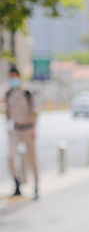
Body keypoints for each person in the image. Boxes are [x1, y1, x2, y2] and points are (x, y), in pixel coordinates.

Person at [5, 66, 39, 200]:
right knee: (11, 158)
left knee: (32, 160)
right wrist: (8, 126)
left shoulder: (27, 93)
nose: (14, 79)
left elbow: (36, 112)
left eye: (15, 76)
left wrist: (34, 129)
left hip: (28, 129)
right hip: (16, 129)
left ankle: (36, 186)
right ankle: (17, 184)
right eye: (11, 77)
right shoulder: (8, 94)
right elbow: (7, 113)